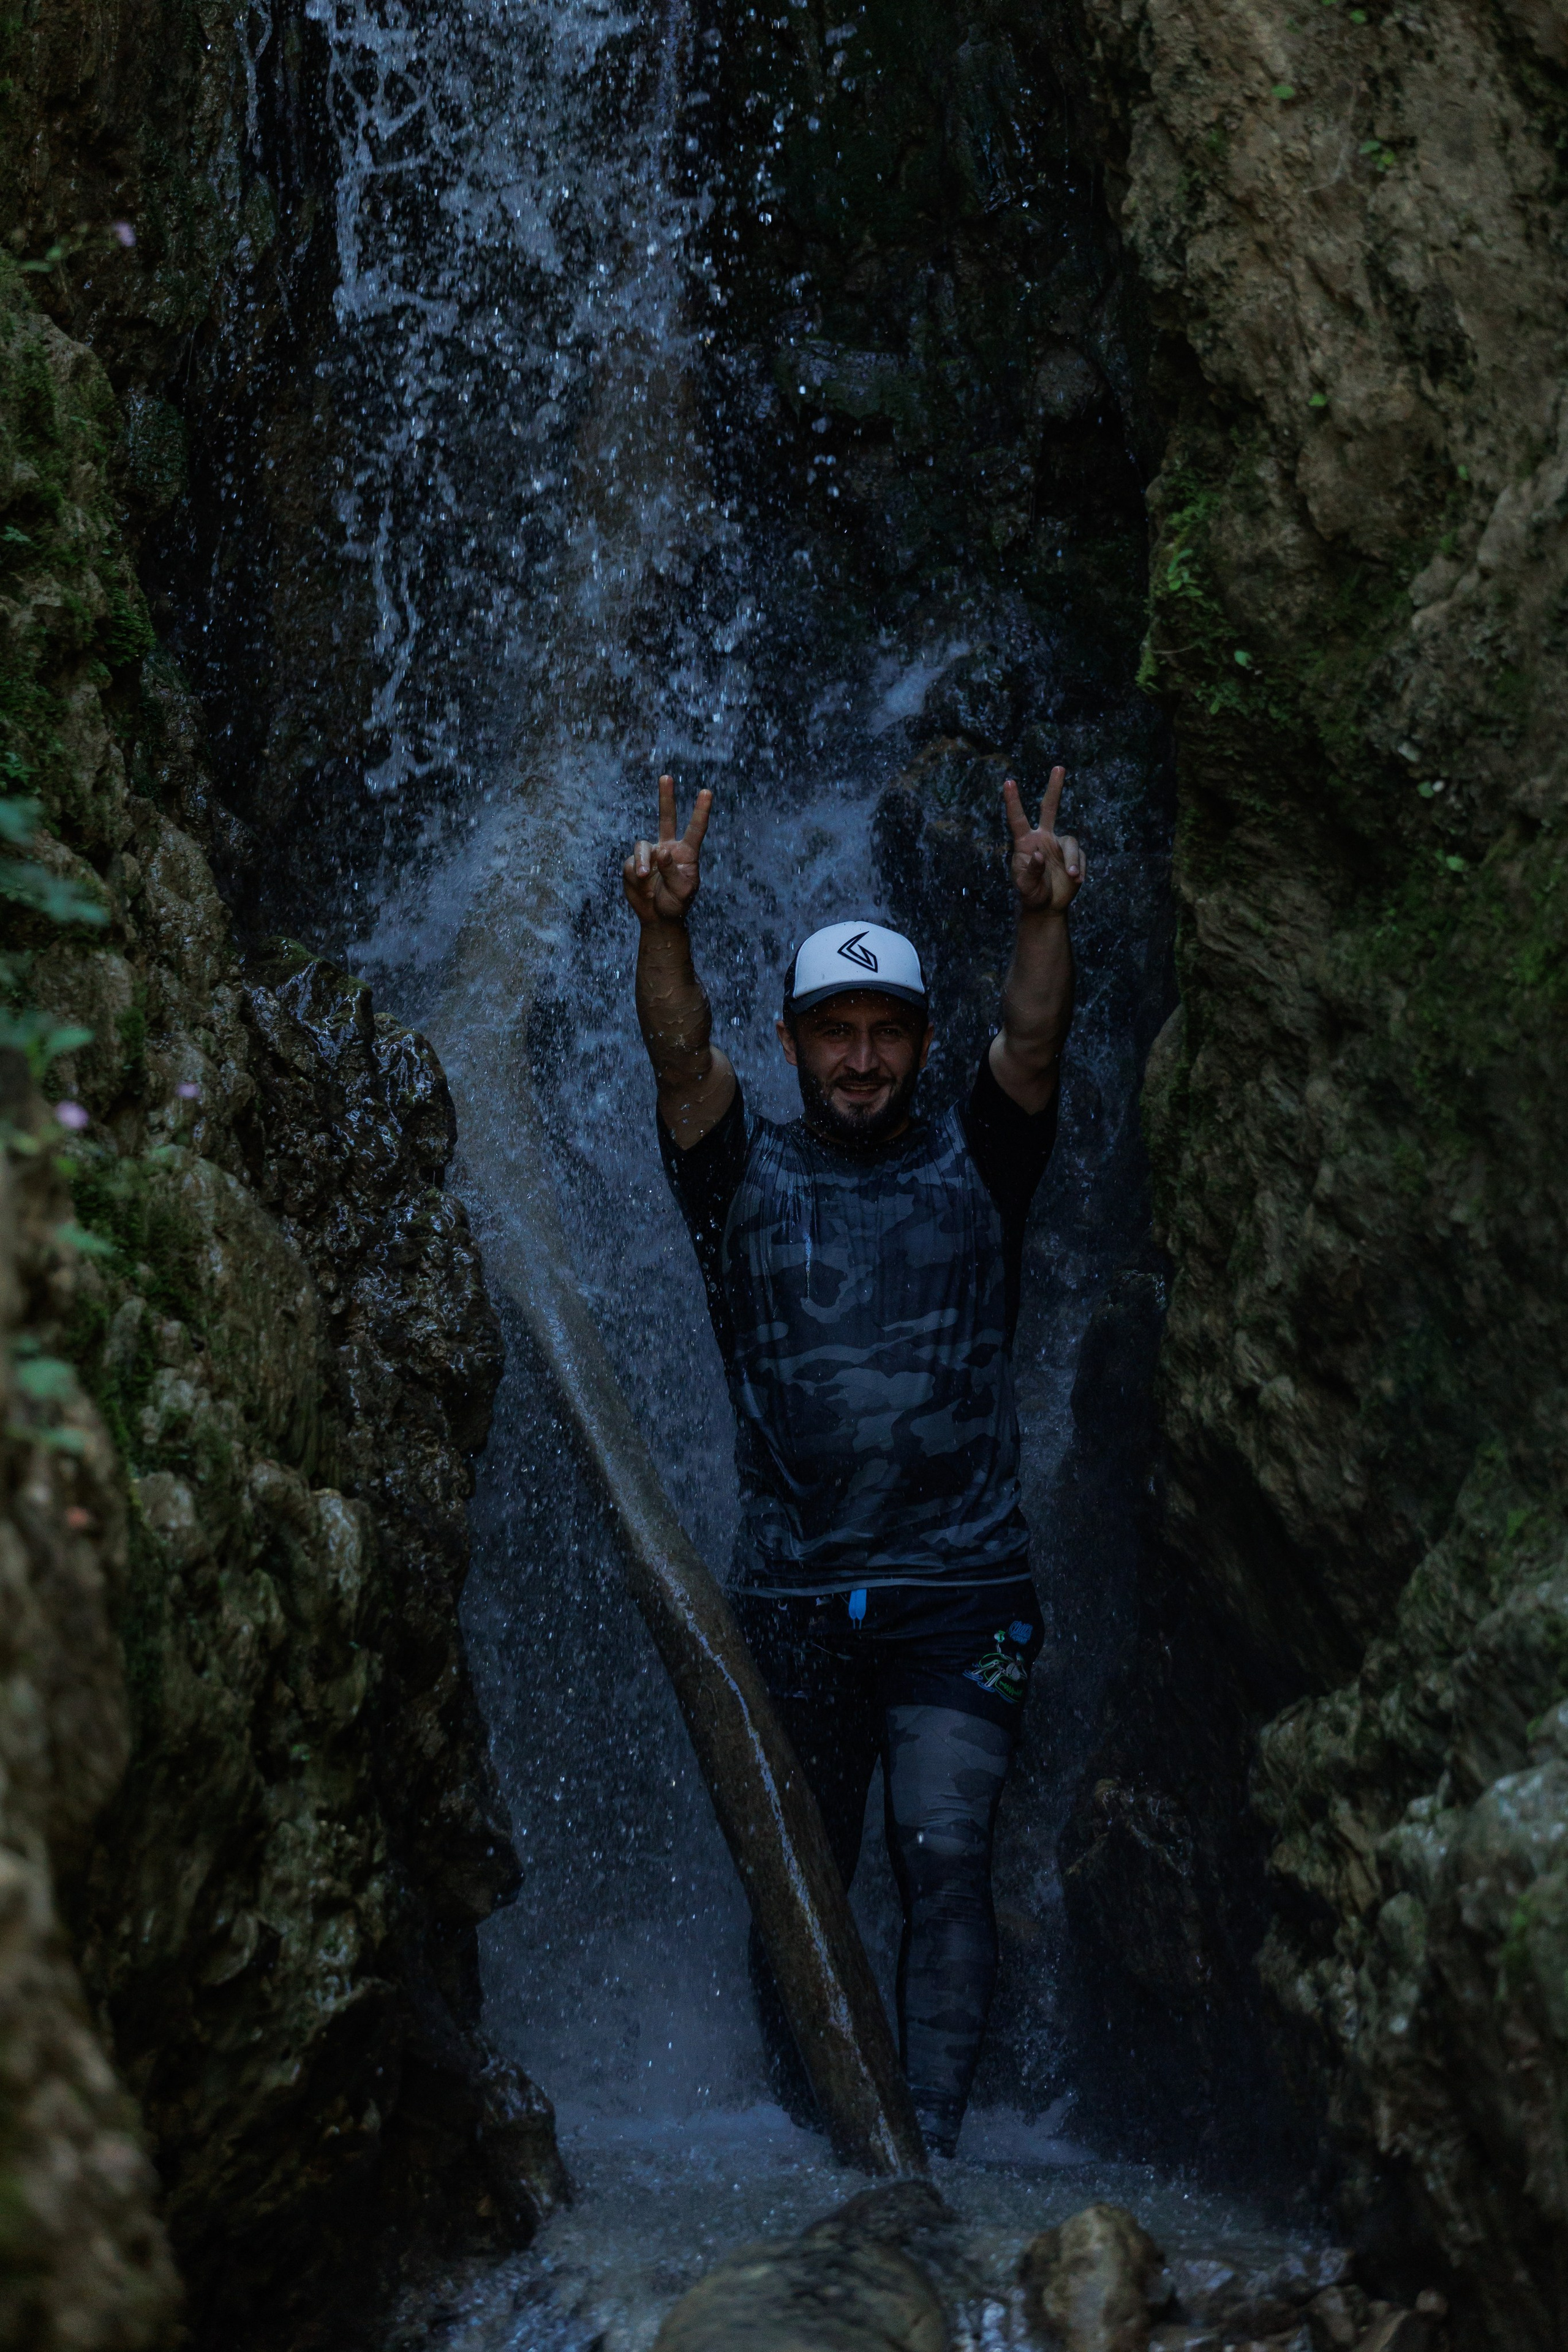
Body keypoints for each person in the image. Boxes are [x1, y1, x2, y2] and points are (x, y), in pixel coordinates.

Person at [622, 765, 1083, 2157]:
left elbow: (1037, 1045)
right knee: (797, 1884)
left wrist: (1040, 918)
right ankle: (814, 2154)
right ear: (789, 1045)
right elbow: (674, 1058)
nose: (864, 1058)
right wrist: (664, 930)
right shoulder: (735, 1175)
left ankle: (925, 2160)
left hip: (959, 1594)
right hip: (796, 1601)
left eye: (888, 1032)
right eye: (837, 1034)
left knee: (944, 1870)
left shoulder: (978, 1161)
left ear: (922, 1043)